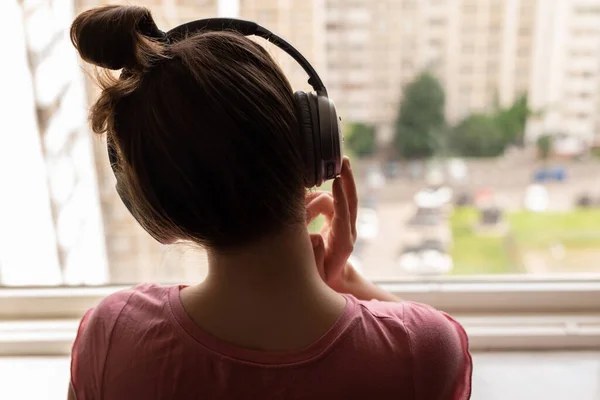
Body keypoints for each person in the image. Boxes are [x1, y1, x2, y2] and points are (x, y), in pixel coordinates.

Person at [67, 5, 472, 399]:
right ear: (316, 147)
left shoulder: (112, 337)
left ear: (154, 209)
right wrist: (348, 284)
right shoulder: (425, 351)